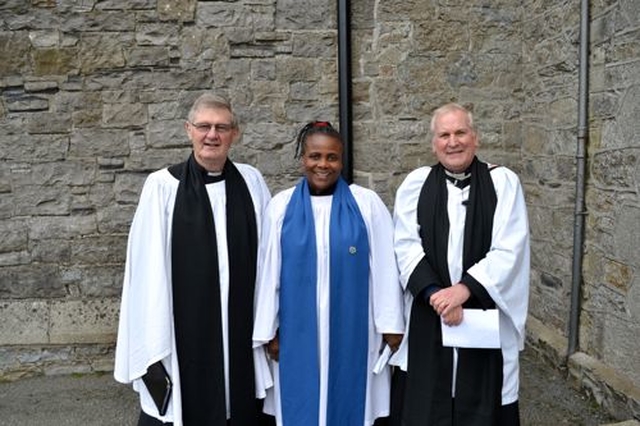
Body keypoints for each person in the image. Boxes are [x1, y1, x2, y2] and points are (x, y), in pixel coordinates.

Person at [114, 93, 274, 426]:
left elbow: (269, 259)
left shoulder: (251, 181)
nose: (212, 135)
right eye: (204, 126)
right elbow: (146, 271)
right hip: (181, 329)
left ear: (235, 133)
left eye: (221, 127)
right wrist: (151, 338)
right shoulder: (162, 187)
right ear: (189, 130)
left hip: (240, 325)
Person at [252, 121, 405, 426]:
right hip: (297, 332)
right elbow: (268, 272)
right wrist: (270, 329)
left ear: (341, 160)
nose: (323, 164)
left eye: (332, 157)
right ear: (303, 159)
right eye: (315, 156)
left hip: (354, 329)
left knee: (352, 404)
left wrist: (391, 325)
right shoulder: (281, 207)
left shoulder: (366, 204)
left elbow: (387, 268)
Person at [391, 103, 530, 425]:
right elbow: (404, 244)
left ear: (475, 138)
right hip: (431, 311)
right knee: (428, 403)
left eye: (460, 133)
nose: (453, 142)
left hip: (483, 310)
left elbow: (510, 248)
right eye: (444, 135)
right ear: (433, 143)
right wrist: (436, 295)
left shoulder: (503, 182)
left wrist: (463, 291)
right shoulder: (416, 184)